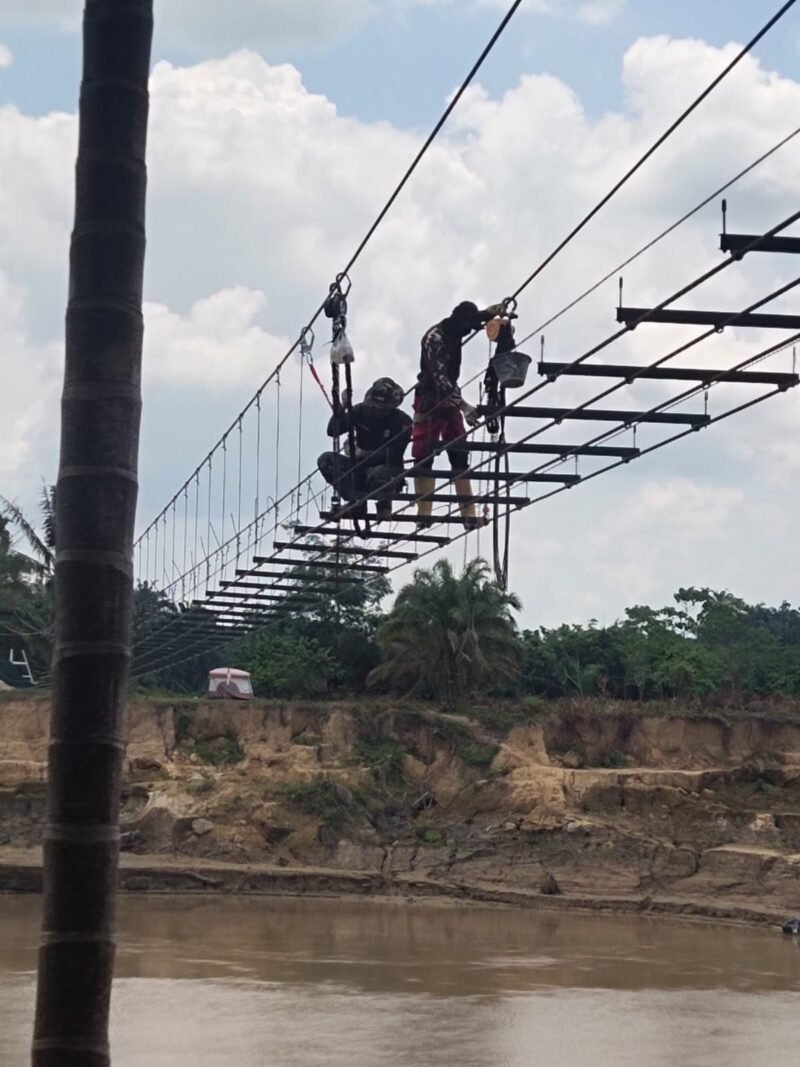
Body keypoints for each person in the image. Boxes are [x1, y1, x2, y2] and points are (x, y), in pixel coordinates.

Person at [412, 300, 503, 528]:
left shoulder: (457, 326)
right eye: (467, 328)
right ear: (459, 323)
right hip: (430, 398)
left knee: (459, 451)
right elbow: (440, 380)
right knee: (424, 454)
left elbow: (471, 319)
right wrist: (464, 406)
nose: (468, 332)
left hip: (451, 395)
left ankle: (468, 515)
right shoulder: (434, 339)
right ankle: (424, 515)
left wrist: (490, 313)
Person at [317, 377, 412, 522]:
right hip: (360, 469)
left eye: (382, 408)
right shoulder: (361, 410)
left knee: (381, 472)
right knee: (326, 460)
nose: (378, 410)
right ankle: (356, 502)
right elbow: (333, 430)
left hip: (387, 470)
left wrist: (363, 453)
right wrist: (342, 407)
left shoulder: (403, 421)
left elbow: (394, 454)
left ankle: (384, 504)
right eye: (375, 406)